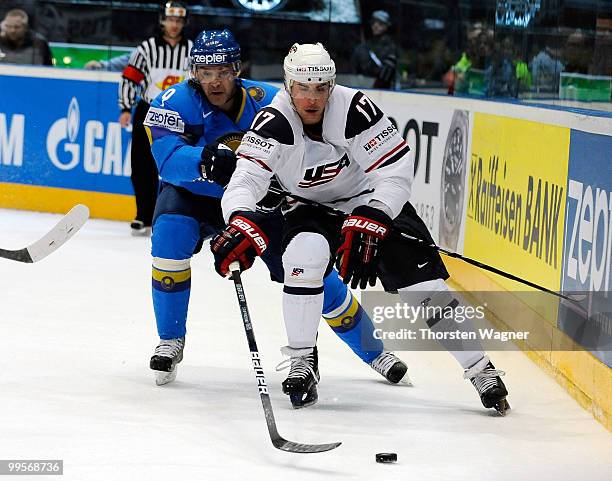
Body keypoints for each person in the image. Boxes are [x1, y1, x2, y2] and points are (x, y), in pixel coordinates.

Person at [212, 42, 510, 414]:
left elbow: (396, 171)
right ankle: (303, 359)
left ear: (332, 84)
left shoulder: (355, 108)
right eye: (303, 88)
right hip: (310, 208)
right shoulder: (274, 121)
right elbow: (245, 180)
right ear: (288, 86)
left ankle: (481, 369)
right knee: (303, 257)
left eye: (321, 87)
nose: (312, 98)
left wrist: (378, 213)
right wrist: (239, 218)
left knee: (424, 287)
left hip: (367, 200)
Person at [142, 29, 409, 393]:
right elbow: (166, 159)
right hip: (192, 196)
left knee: (306, 269)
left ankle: (372, 350)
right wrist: (203, 160)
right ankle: (170, 340)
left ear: (237, 68)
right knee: (169, 237)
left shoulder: (269, 100)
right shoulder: (172, 101)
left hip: (258, 204)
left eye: (223, 71)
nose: (215, 81)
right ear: (194, 73)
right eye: (206, 73)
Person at [118, 2, 192, 236]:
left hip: (181, 114)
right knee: (141, 165)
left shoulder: (192, 49)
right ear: (163, 20)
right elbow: (130, 78)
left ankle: (176, 214)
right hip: (148, 110)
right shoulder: (146, 48)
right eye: (171, 20)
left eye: (179, 21)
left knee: (179, 164)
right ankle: (143, 215)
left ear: (184, 23)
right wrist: (126, 107)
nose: (174, 25)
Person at [350, 10, 398, 89]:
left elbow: (385, 77)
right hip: (360, 89)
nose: (376, 25)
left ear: (386, 26)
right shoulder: (362, 47)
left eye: (380, 23)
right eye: (373, 22)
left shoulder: (391, 49)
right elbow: (353, 70)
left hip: (382, 92)